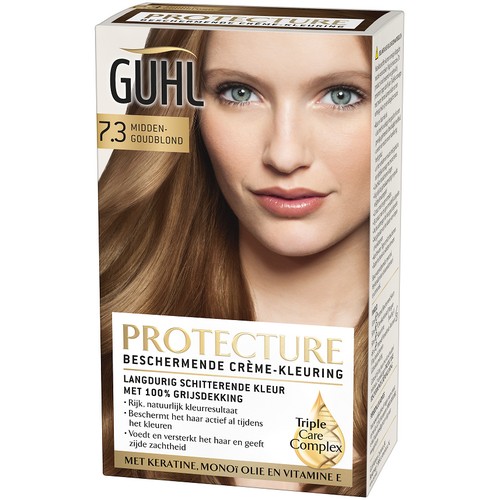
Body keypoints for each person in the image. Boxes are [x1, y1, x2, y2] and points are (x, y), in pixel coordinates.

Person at [99, 26, 371, 496]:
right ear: (186, 111)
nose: (285, 155)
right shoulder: (102, 341)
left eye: (341, 95)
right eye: (239, 92)